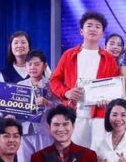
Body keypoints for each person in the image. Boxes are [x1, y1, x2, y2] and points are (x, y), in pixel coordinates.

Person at [50, 11, 121, 148]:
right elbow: (55, 80)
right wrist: (66, 92)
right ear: (82, 31)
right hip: (73, 113)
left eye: (97, 26)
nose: (93, 29)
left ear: (103, 33)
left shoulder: (109, 59)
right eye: (89, 25)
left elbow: (114, 88)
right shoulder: (69, 55)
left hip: (100, 115)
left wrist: (107, 100)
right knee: (73, 153)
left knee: (98, 153)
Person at [17, 50, 58, 162]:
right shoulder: (20, 85)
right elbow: (14, 108)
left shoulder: (51, 84)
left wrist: (48, 103)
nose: (32, 67)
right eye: (29, 64)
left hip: (44, 130)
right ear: (25, 66)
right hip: (25, 130)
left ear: (44, 66)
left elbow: (61, 106)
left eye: (37, 64)